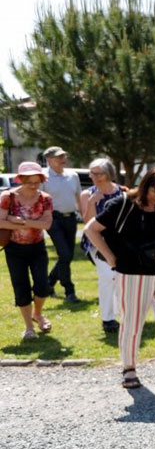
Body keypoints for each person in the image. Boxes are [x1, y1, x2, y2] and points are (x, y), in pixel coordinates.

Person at [84, 166, 155, 396]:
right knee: (132, 323)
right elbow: (91, 229)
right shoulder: (124, 204)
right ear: (145, 186)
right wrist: (110, 257)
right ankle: (129, 369)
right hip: (131, 273)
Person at [0, 162, 54, 340]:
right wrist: (24, 223)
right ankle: (29, 327)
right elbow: (0, 221)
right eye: (29, 182)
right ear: (21, 180)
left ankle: (37, 314)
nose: (33, 186)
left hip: (37, 247)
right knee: (21, 286)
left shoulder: (45, 198)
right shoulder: (8, 197)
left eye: (37, 182)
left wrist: (20, 221)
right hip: (14, 248)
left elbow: (47, 224)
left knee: (42, 286)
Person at [79, 158, 123, 333]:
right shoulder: (87, 194)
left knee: (119, 278)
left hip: (118, 242)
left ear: (109, 174)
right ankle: (108, 319)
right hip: (96, 242)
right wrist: (92, 203)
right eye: (92, 173)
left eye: (99, 173)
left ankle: (121, 312)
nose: (95, 177)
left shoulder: (121, 192)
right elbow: (87, 222)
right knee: (107, 276)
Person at [40, 146, 82, 302]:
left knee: (67, 255)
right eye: (58, 157)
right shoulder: (43, 177)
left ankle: (49, 283)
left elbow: (78, 197)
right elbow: (39, 200)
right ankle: (69, 291)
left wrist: (84, 215)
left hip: (71, 218)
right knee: (65, 254)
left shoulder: (73, 175)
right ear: (49, 159)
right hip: (53, 219)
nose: (63, 159)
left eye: (63, 156)